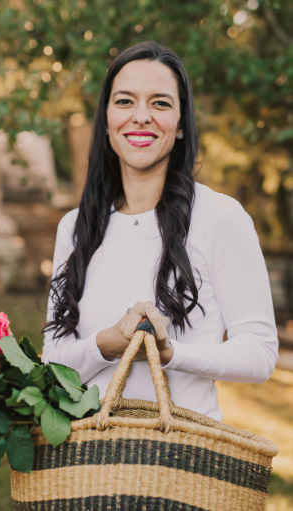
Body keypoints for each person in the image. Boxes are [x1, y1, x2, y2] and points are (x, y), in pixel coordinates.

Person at [41, 41, 278, 421]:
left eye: (160, 103)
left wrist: (171, 354)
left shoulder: (219, 217)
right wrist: (105, 345)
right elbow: (52, 363)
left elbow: (260, 354)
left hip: (181, 465)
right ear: (105, 121)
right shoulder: (75, 227)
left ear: (181, 124)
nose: (140, 117)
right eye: (124, 101)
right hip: (87, 467)